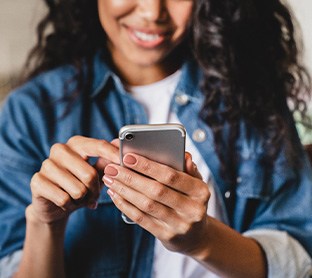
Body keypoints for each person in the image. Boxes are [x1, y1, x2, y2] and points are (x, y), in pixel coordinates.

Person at [0, 0, 312, 277]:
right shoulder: (30, 112)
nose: (152, 12)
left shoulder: (252, 95)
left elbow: (297, 257)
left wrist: (202, 240)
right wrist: (45, 223)